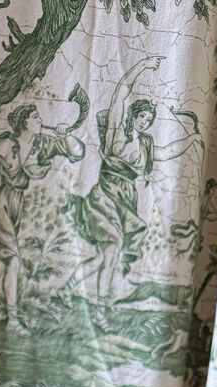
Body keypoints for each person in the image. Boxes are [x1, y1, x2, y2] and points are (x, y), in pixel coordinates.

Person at [68, 57, 201, 302]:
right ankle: (101, 304)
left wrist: (191, 140)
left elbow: (167, 152)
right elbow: (119, 95)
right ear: (134, 114)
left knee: (105, 255)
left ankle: (67, 288)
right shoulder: (118, 133)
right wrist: (141, 65)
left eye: (149, 120)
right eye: (142, 116)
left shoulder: (145, 144)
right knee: (113, 247)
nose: (145, 122)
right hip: (106, 197)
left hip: (126, 200)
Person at [0, 104, 52, 326]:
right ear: (24, 123)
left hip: (14, 205)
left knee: (1, 263)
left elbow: (75, 149)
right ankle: (13, 320)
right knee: (12, 260)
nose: (40, 119)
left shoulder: (33, 148)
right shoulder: (7, 144)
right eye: (35, 116)